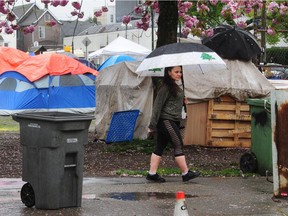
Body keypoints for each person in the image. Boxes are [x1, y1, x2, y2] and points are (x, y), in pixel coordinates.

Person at [146, 66, 201, 183]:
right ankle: (186, 173)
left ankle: (152, 173)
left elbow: (172, 103)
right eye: (176, 72)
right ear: (169, 72)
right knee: (178, 144)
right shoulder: (165, 87)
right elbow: (157, 106)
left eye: (180, 72)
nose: (179, 74)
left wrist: (182, 101)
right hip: (166, 120)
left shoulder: (174, 86)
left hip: (172, 120)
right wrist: (152, 125)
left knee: (160, 147)